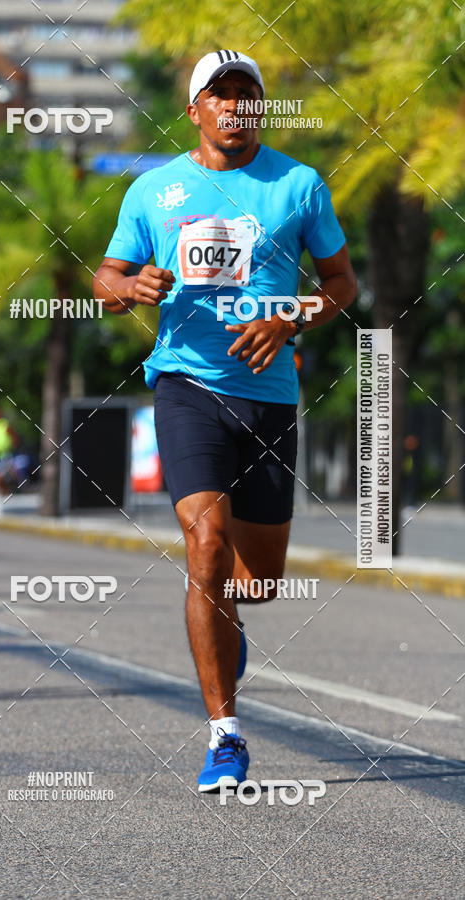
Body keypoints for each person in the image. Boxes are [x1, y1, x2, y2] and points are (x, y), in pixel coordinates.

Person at [94, 51, 357, 791]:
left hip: (268, 396)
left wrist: (290, 318)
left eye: (247, 94)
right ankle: (225, 734)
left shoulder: (298, 185)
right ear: (195, 111)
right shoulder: (153, 190)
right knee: (205, 547)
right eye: (221, 94)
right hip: (186, 386)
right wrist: (129, 286)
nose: (235, 105)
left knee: (258, 584)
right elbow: (105, 276)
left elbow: (342, 282)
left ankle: (224, 620)